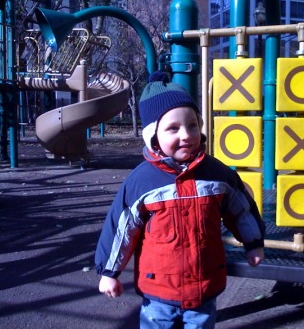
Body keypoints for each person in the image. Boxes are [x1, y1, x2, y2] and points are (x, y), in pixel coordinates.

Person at [95, 71, 265, 329]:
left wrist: (254, 243)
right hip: (159, 291)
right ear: (153, 135)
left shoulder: (216, 174)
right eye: (173, 128)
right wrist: (109, 273)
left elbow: (241, 210)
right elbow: (121, 230)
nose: (186, 134)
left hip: (204, 284)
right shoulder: (141, 182)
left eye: (193, 125)